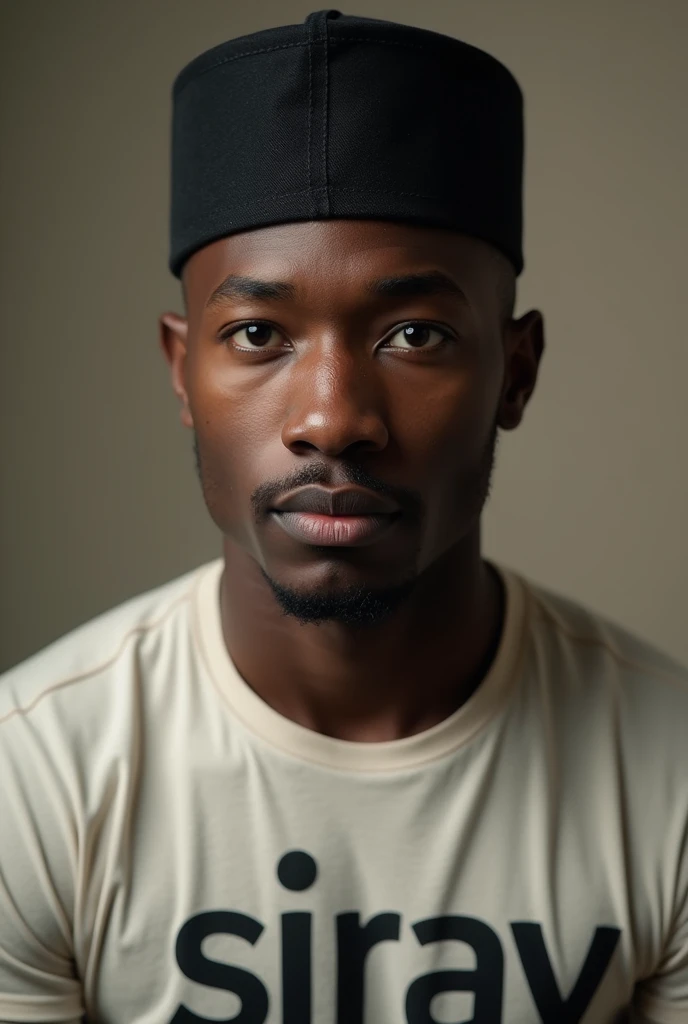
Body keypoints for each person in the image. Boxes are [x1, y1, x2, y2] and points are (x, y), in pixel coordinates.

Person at [0, 9, 685, 1023]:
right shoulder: (33, 778)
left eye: (414, 333)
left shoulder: (667, 774)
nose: (332, 418)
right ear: (181, 371)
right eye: (258, 333)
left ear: (517, 371)